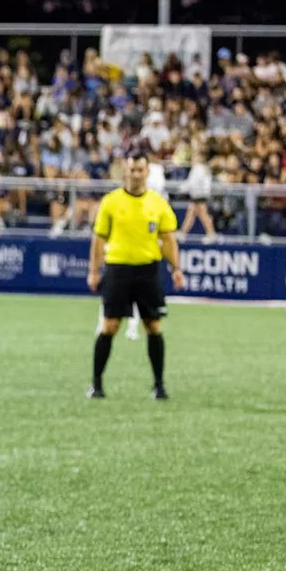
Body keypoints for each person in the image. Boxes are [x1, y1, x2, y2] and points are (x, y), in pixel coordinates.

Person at [86, 151, 182, 400]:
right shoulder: (111, 202)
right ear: (124, 170)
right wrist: (94, 270)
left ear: (147, 172)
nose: (136, 174)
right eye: (132, 169)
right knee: (110, 326)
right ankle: (97, 384)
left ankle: (159, 385)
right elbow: (99, 239)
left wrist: (176, 268)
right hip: (118, 269)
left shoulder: (158, 204)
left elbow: (168, 239)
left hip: (148, 270)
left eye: (140, 170)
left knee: (154, 326)